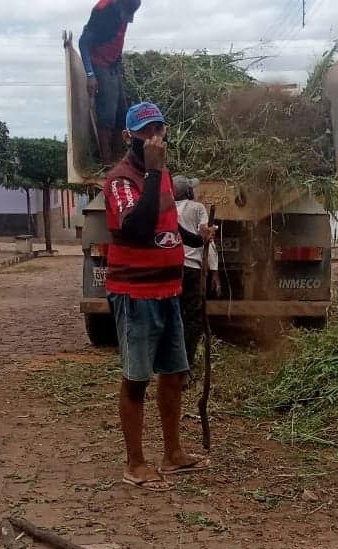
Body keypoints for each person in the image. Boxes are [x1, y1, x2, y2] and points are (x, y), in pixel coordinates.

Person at [103, 101, 215, 488]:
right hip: (136, 295)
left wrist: (195, 238)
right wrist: (151, 172)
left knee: (174, 373)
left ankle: (173, 454)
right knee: (137, 379)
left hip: (169, 292)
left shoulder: (162, 175)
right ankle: (135, 463)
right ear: (128, 136)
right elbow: (136, 227)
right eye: (145, 131)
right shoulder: (120, 180)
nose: (153, 137)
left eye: (158, 129)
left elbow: (167, 226)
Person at [79, 0, 141, 164]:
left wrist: (119, 62)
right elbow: (83, 42)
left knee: (122, 114)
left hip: (114, 65)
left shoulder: (127, 8)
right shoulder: (101, 11)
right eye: (125, 13)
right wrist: (90, 74)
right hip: (100, 65)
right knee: (107, 116)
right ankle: (106, 162)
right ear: (118, 5)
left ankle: (118, 160)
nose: (127, 19)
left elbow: (117, 39)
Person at [173, 175, 222, 370]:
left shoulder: (166, 210)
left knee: (175, 315)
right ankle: (186, 363)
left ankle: (172, 361)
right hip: (191, 270)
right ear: (188, 192)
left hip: (172, 269)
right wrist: (215, 272)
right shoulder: (197, 208)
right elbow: (206, 239)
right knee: (193, 317)